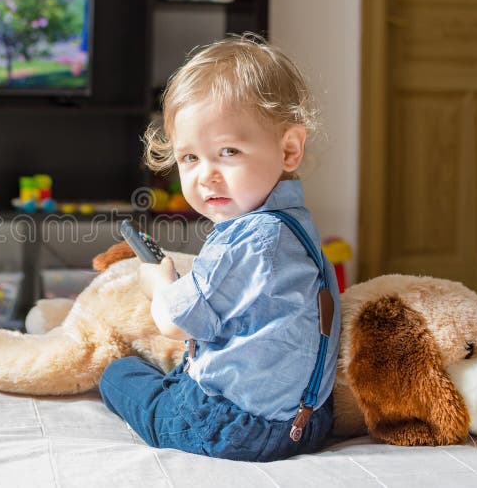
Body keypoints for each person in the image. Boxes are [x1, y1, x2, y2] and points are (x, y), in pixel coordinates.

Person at [99, 35, 341, 462]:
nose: (205, 176)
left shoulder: (246, 239)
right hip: (309, 422)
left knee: (119, 375)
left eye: (227, 152)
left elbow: (176, 323)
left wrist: (160, 281)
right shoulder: (297, 227)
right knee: (178, 370)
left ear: (289, 149)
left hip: (231, 427)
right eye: (190, 158)